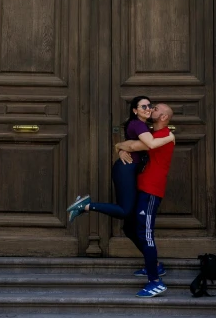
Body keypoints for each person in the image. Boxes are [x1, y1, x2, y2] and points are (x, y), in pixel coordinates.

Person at [66, 97, 174, 250]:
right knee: (125, 211)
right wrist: (170, 137)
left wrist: (120, 147)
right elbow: (149, 144)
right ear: (135, 110)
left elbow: (132, 144)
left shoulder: (144, 127)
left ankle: (153, 263)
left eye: (150, 106)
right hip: (126, 169)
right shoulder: (139, 125)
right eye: (143, 106)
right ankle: (85, 205)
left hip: (132, 169)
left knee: (130, 226)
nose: (148, 108)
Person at [115, 103, 175, 298]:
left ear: (164, 117)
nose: (151, 110)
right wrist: (119, 148)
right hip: (142, 188)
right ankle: (155, 266)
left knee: (145, 233)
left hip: (151, 191)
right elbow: (129, 145)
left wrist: (120, 146)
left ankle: (155, 282)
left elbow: (132, 145)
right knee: (130, 228)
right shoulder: (150, 133)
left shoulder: (163, 137)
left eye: (156, 109)